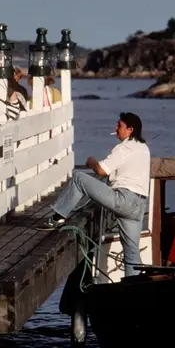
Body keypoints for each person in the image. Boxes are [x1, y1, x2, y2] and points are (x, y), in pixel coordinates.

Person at [39, 112, 150, 276]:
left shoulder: (124, 148)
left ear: (130, 129)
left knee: (78, 178)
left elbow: (101, 170)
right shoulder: (143, 148)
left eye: (119, 125)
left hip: (123, 199)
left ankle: (57, 217)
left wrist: (91, 161)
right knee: (132, 253)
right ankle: (133, 287)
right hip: (139, 205)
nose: (116, 128)